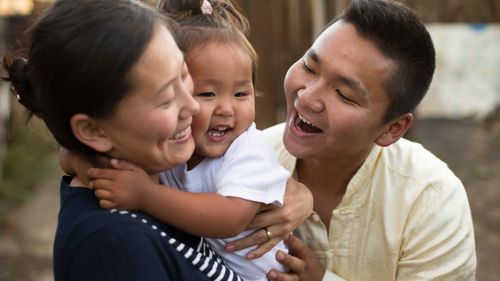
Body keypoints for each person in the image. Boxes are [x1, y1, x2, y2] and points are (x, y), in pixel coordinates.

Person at [1, 0, 287, 280]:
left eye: (184, 76)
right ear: (93, 132)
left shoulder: (151, 169)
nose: (192, 106)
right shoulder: (116, 246)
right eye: (164, 99)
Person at [226, 0, 477, 280]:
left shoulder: (430, 200)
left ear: (392, 129)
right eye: (309, 67)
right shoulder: (242, 156)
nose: (306, 97)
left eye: (344, 94)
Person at [84, 1, 302, 280]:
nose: (226, 109)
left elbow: (231, 218)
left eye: (241, 94)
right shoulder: (175, 146)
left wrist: (146, 195)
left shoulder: (247, 150)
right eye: (207, 94)